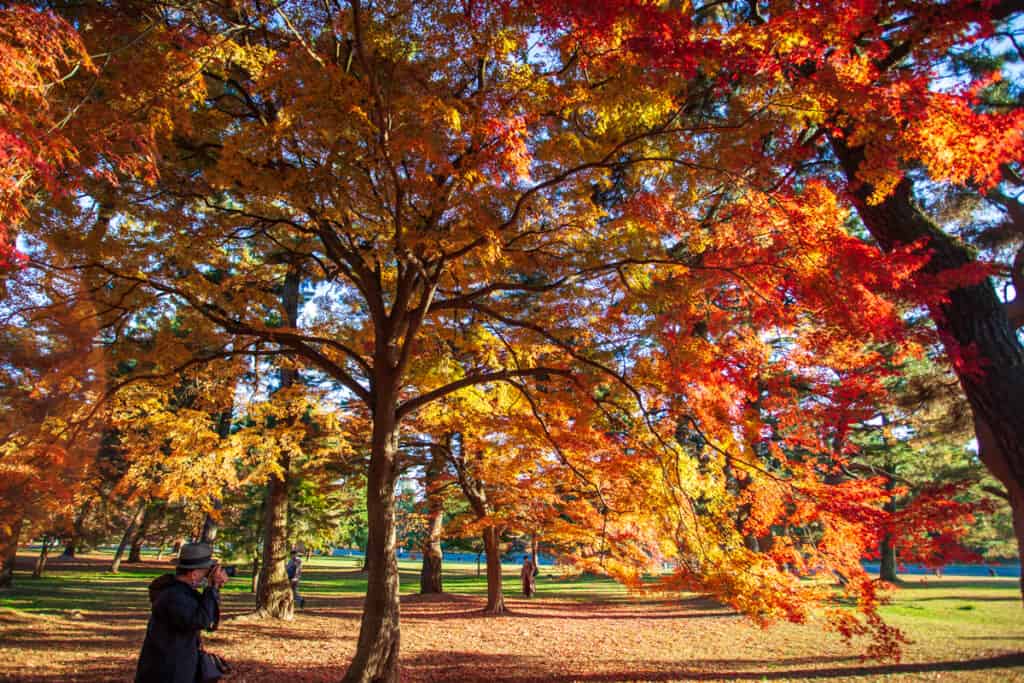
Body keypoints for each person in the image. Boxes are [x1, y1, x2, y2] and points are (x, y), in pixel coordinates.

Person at [135, 543, 228, 683]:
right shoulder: (174, 596)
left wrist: (215, 588)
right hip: (166, 669)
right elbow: (201, 620)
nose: (208, 574)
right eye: (206, 571)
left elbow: (209, 620)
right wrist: (211, 587)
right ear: (194, 574)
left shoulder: (181, 591)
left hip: (175, 664)